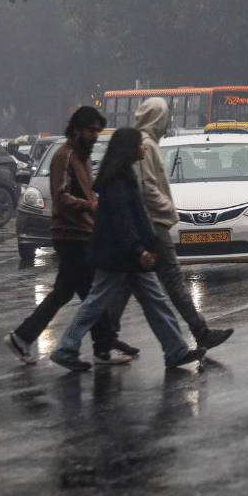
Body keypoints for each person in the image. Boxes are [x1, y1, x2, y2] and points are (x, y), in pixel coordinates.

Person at [49, 128, 207, 372]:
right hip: (118, 256)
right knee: (96, 302)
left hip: (126, 255)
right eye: (140, 145)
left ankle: (176, 349)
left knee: (154, 300)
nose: (144, 148)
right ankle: (65, 348)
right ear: (130, 149)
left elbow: (133, 220)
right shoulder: (117, 181)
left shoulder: (123, 176)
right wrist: (139, 250)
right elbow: (123, 222)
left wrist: (143, 248)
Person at [5, 107, 136, 366]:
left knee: (64, 293)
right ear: (76, 130)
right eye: (91, 130)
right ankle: (101, 347)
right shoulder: (63, 157)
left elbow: (88, 192)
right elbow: (61, 196)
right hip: (70, 236)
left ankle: (22, 337)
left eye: (99, 131)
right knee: (93, 294)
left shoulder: (84, 158)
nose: (95, 135)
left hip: (84, 233)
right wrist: (90, 206)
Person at [102, 97, 232, 351]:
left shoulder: (148, 144)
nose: (168, 122)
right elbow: (148, 188)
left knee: (126, 283)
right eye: (166, 117)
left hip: (149, 223)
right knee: (171, 280)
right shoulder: (145, 146)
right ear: (158, 119)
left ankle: (105, 338)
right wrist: (169, 208)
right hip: (154, 224)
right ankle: (199, 331)